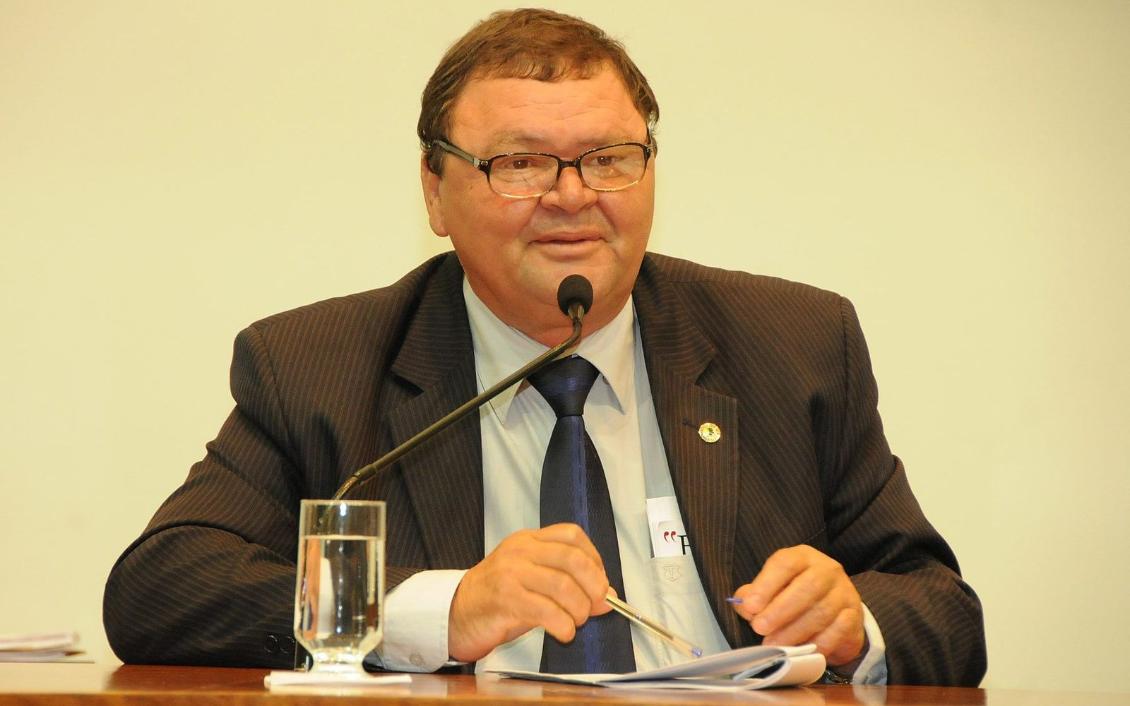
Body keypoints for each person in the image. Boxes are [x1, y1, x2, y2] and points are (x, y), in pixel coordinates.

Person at [103, 8, 986, 685]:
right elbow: (161, 587)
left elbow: (943, 610)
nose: (571, 196)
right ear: (435, 192)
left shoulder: (793, 346)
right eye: (521, 164)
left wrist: (854, 620)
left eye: (608, 158)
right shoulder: (319, 365)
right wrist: (441, 610)